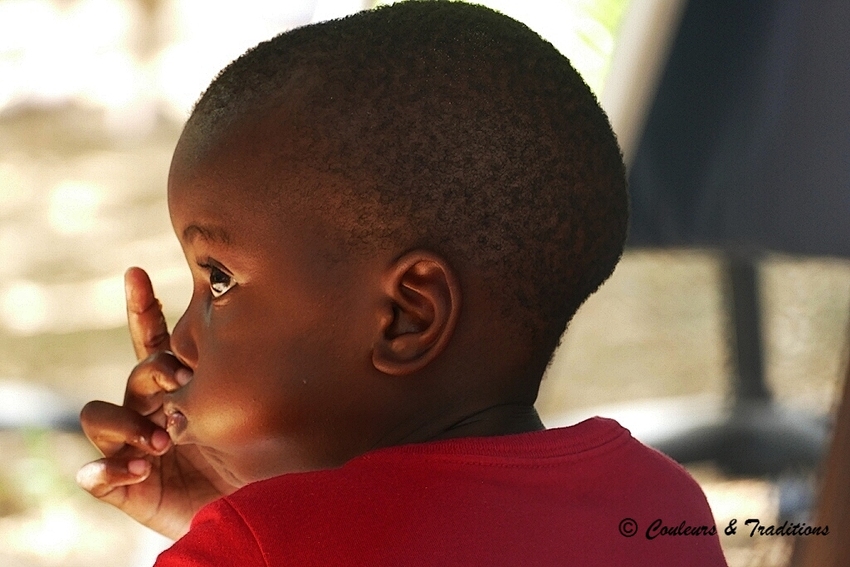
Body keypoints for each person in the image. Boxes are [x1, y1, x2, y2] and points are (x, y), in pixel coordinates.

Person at [76, 2, 728, 565]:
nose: (181, 338)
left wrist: (239, 536)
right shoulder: (662, 507)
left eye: (218, 280)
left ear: (407, 315)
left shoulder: (260, 548)